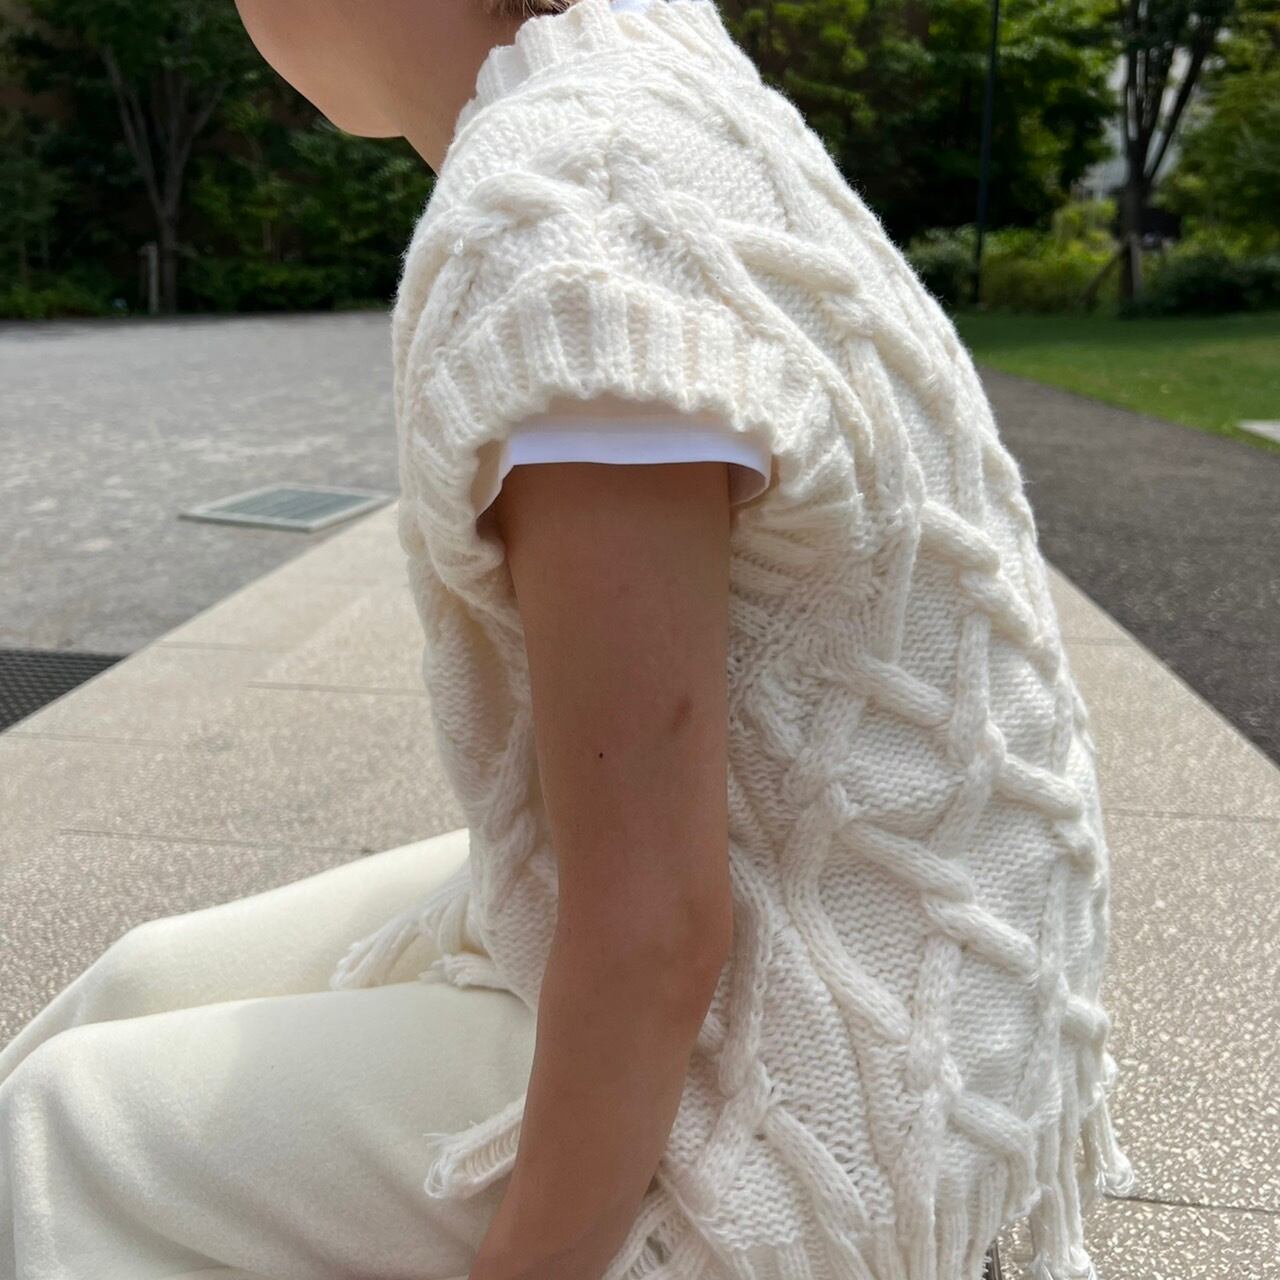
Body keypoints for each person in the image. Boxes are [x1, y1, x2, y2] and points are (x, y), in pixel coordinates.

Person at [0, 1, 1136, 1277]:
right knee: (140, 981)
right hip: (847, 923)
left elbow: (655, 936)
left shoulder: (574, 217)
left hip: (832, 1062)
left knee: (62, 1136)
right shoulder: (643, 66)